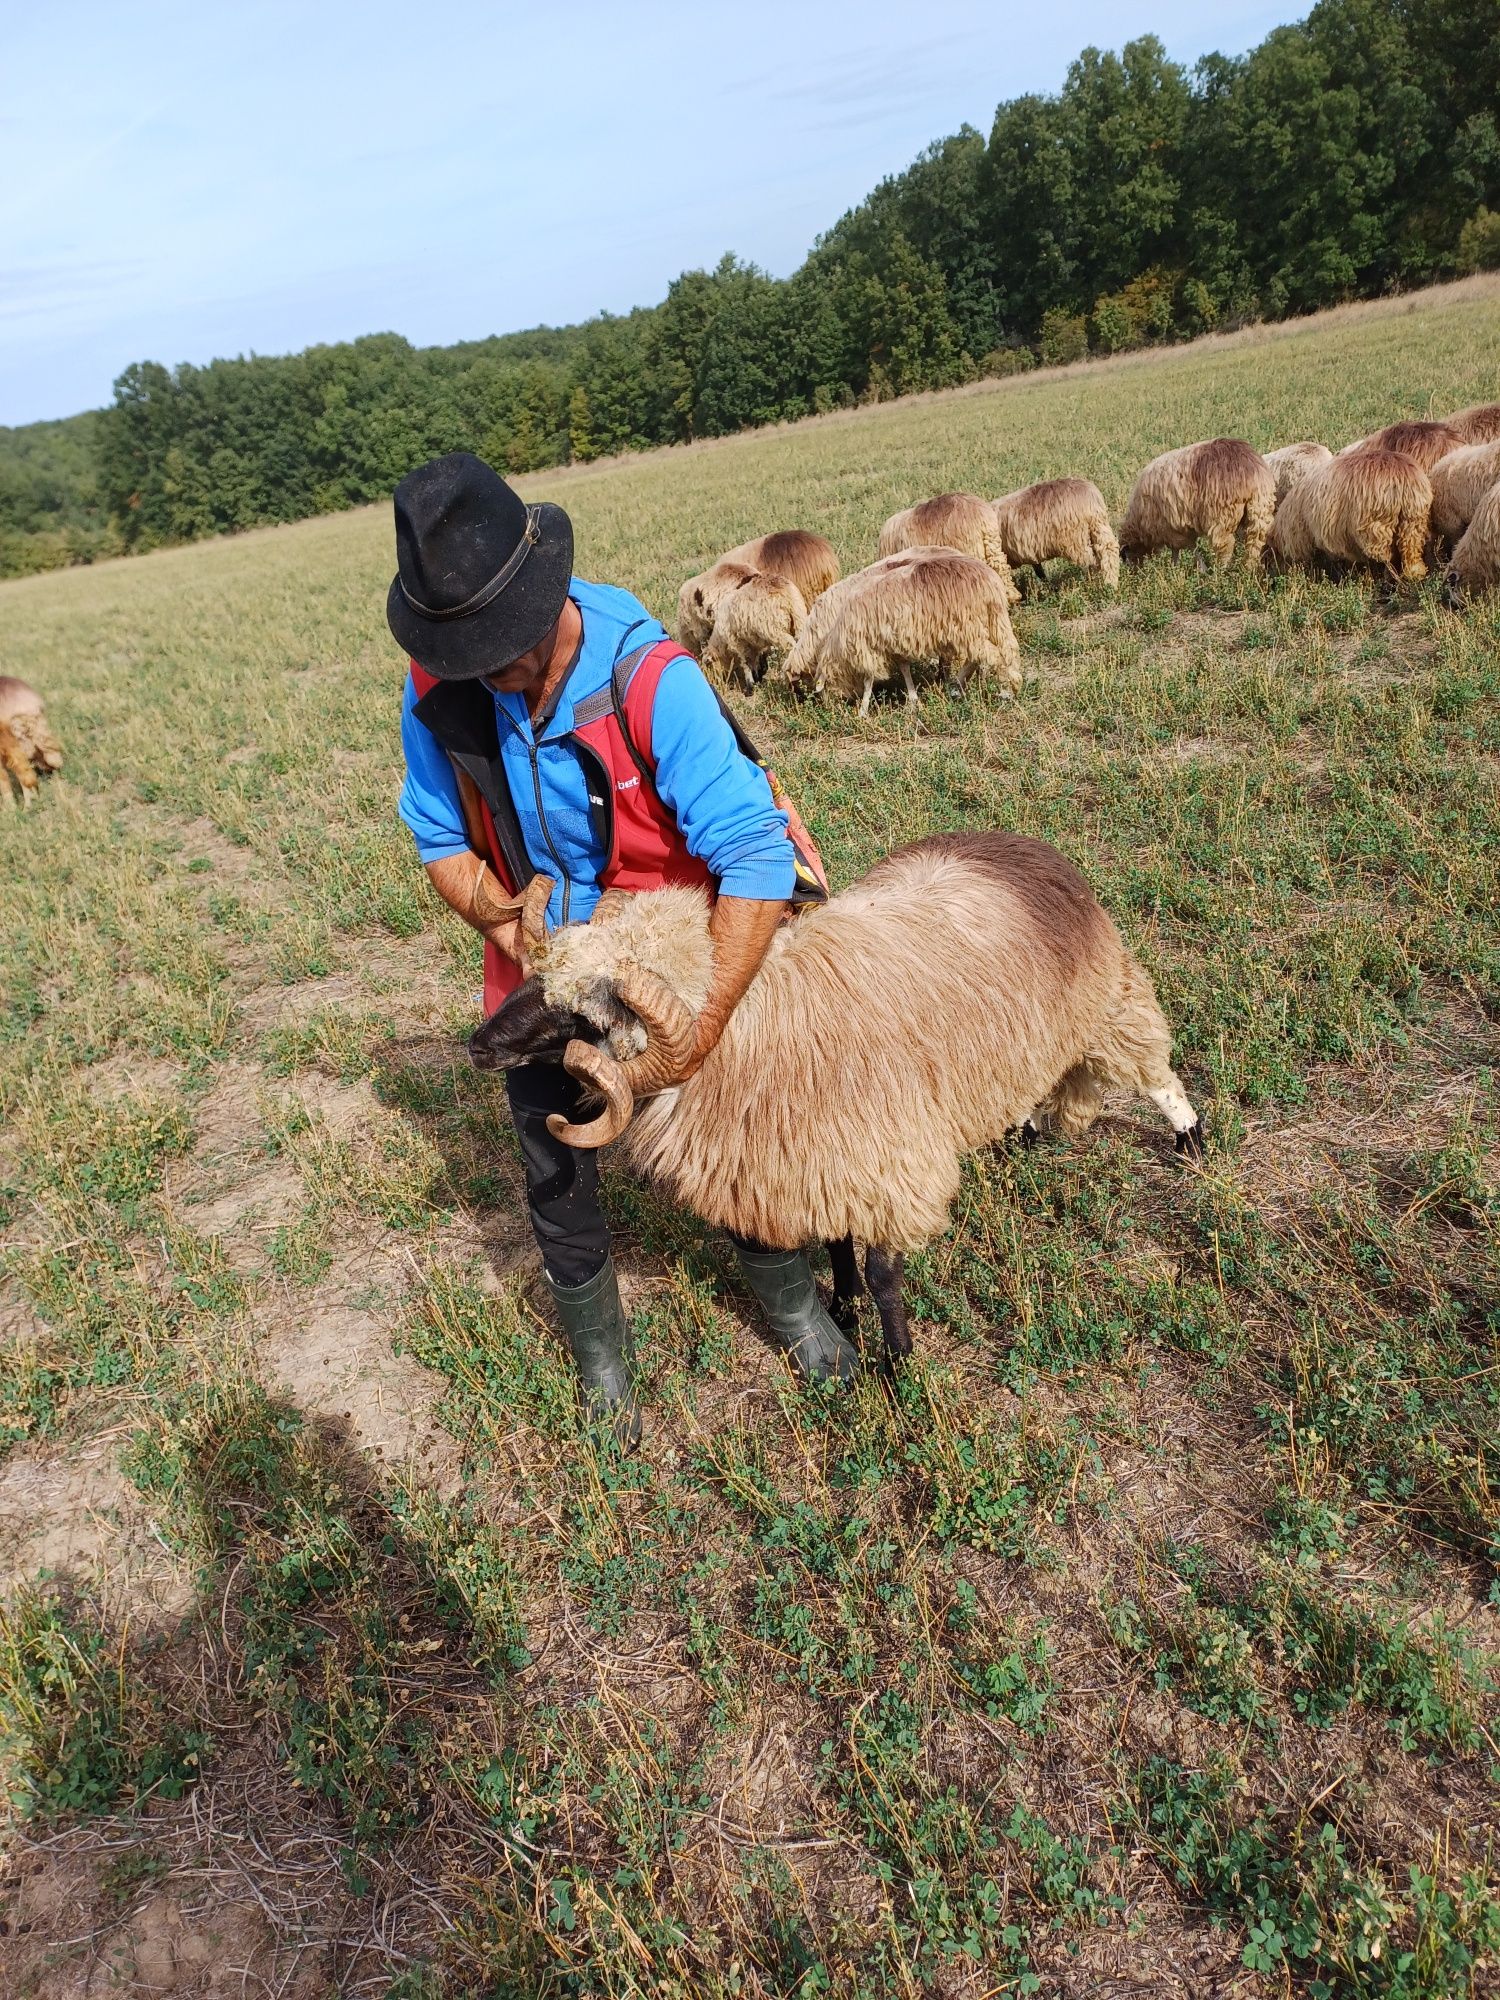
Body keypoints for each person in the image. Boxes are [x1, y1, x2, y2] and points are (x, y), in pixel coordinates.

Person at [389, 452, 858, 1442]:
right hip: (552, 954)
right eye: (472, 651)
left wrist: (701, 1023)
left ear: (550, 589)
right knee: (551, 1146)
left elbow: (752, 856)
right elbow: (439, 843)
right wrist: (498, 910)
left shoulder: (652, 679)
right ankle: (603, 1362)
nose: (497, 673)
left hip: (676, 945)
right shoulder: (438, 689)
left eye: (509, 646)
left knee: (728, 1125)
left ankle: (791, 1303)